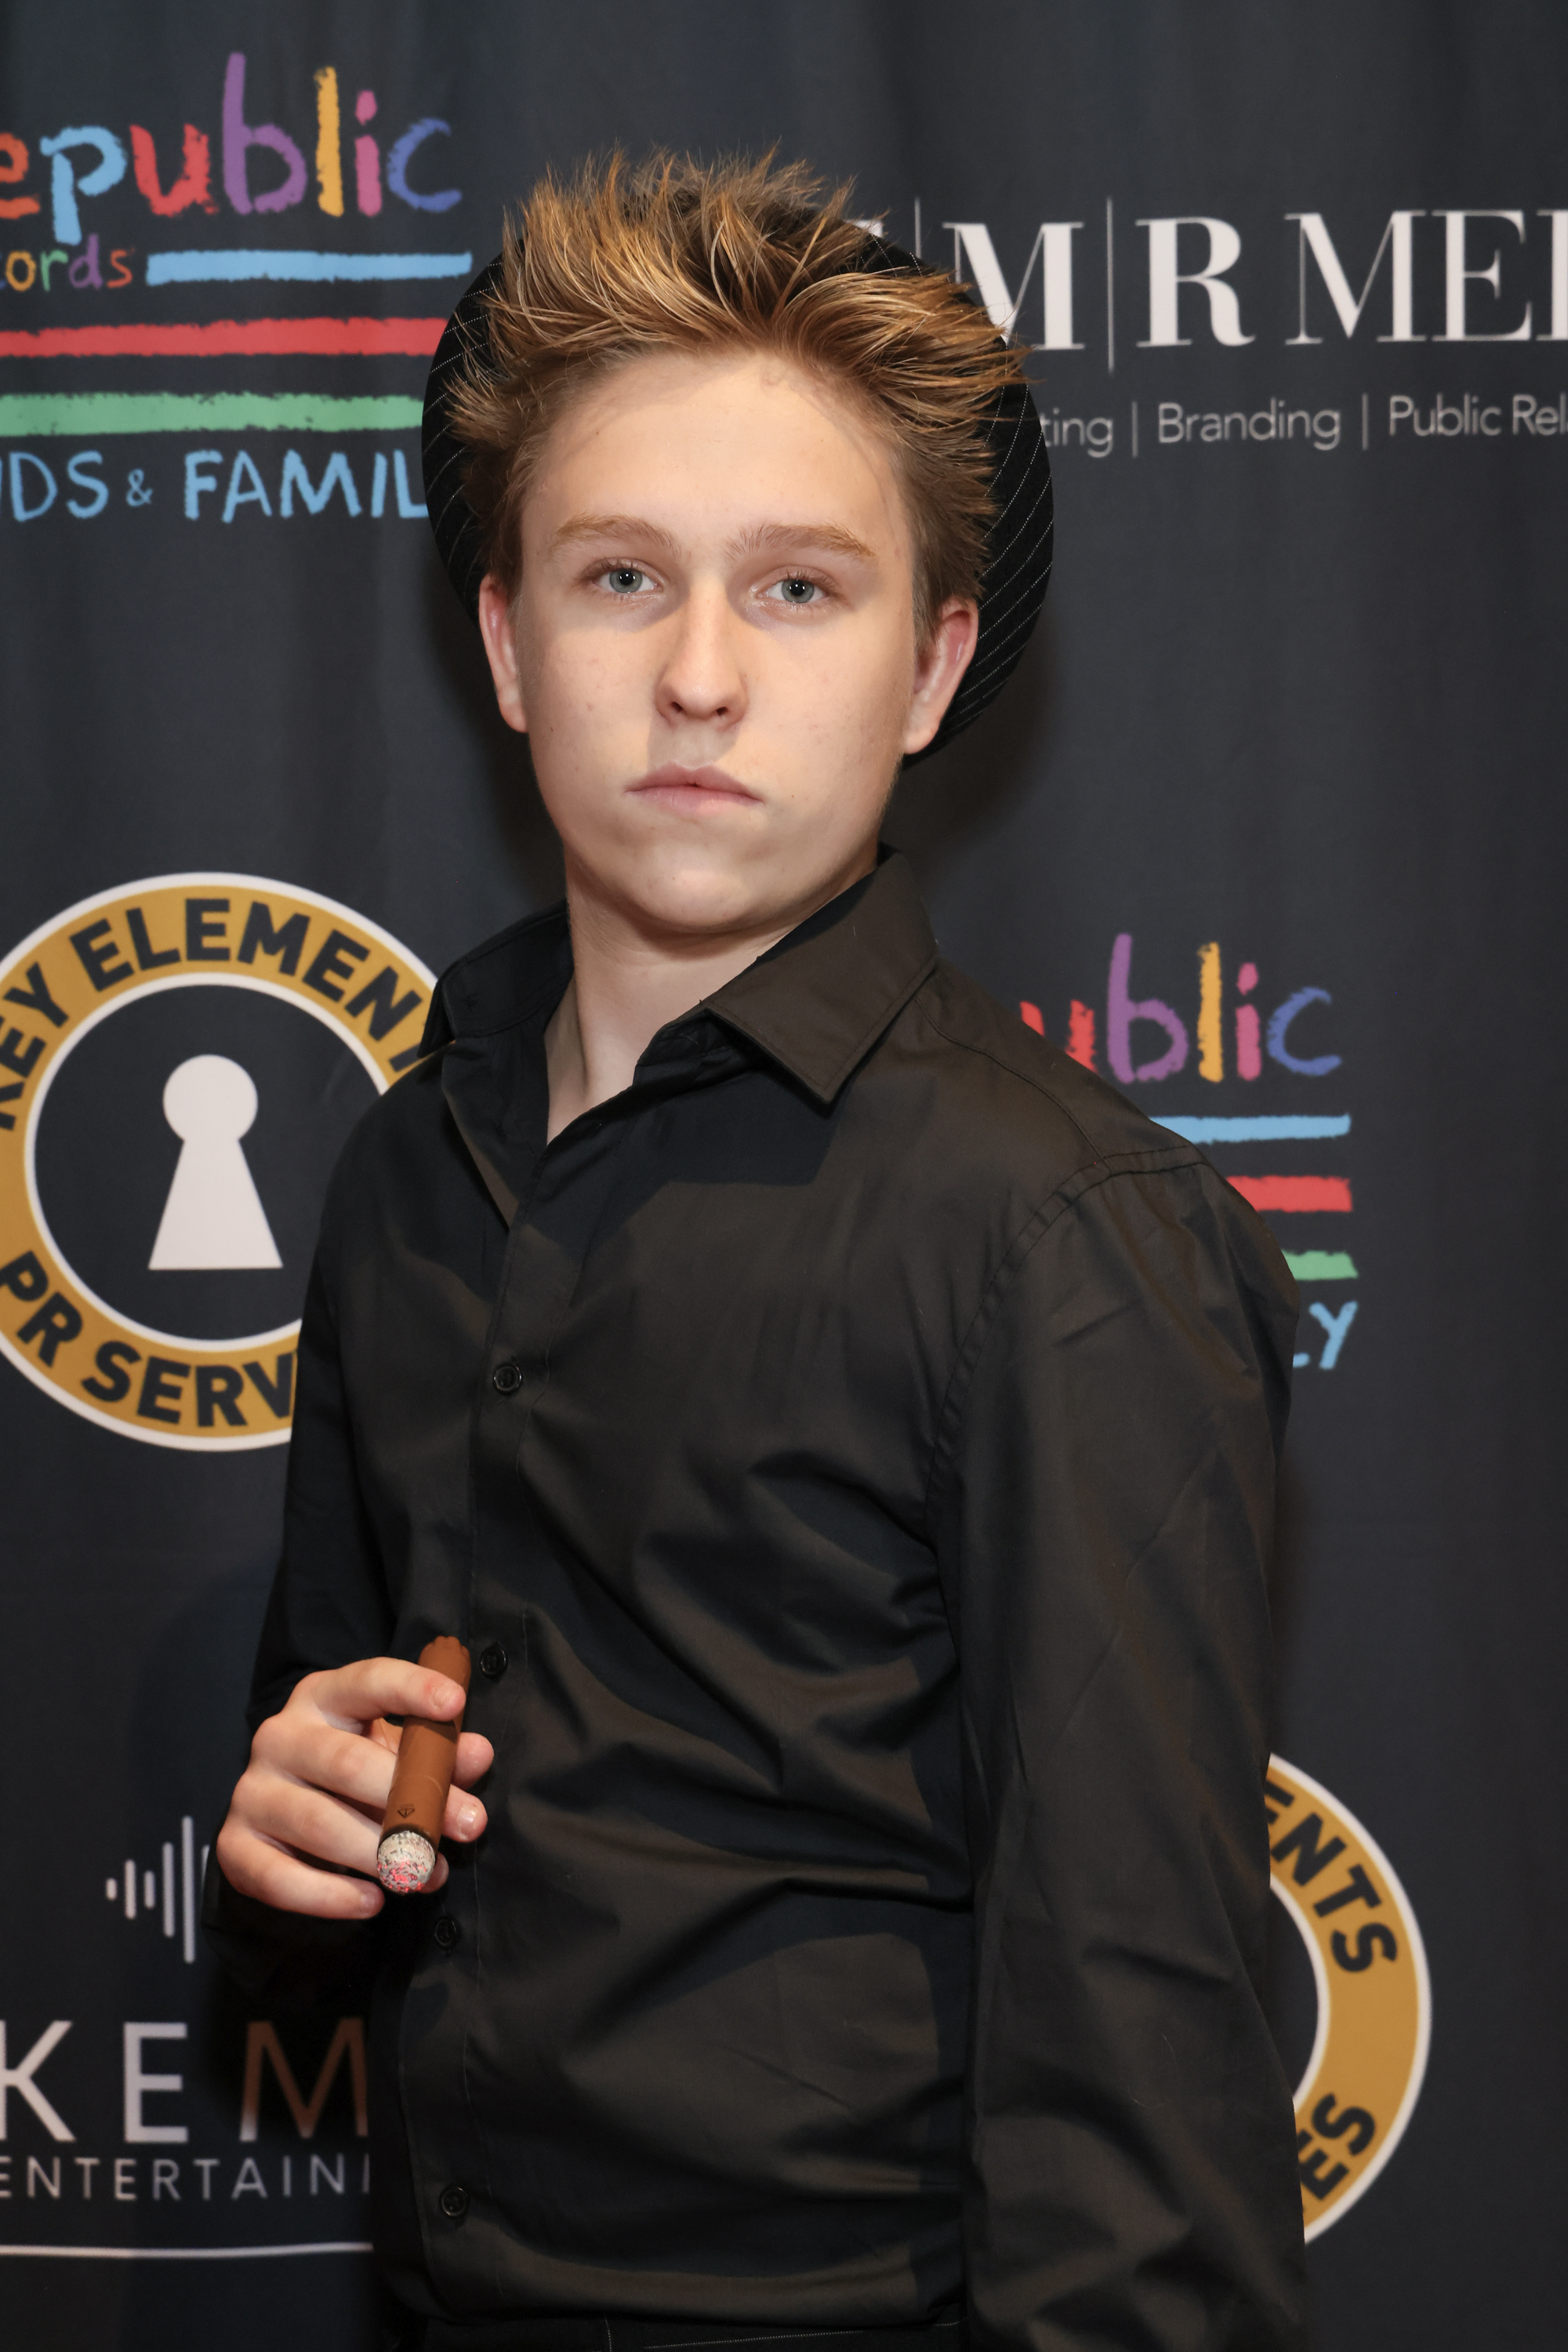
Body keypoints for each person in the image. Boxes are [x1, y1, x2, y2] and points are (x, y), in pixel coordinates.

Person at [207, 153, 1306, 2352]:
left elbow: (1143, 2112)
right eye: (623, 578)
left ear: (933, 667)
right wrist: (288, 1852)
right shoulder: (407, 1169)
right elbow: (323, 1905)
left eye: (800, 592)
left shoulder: (1055, 1238)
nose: (700, 675)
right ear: (510, 646)